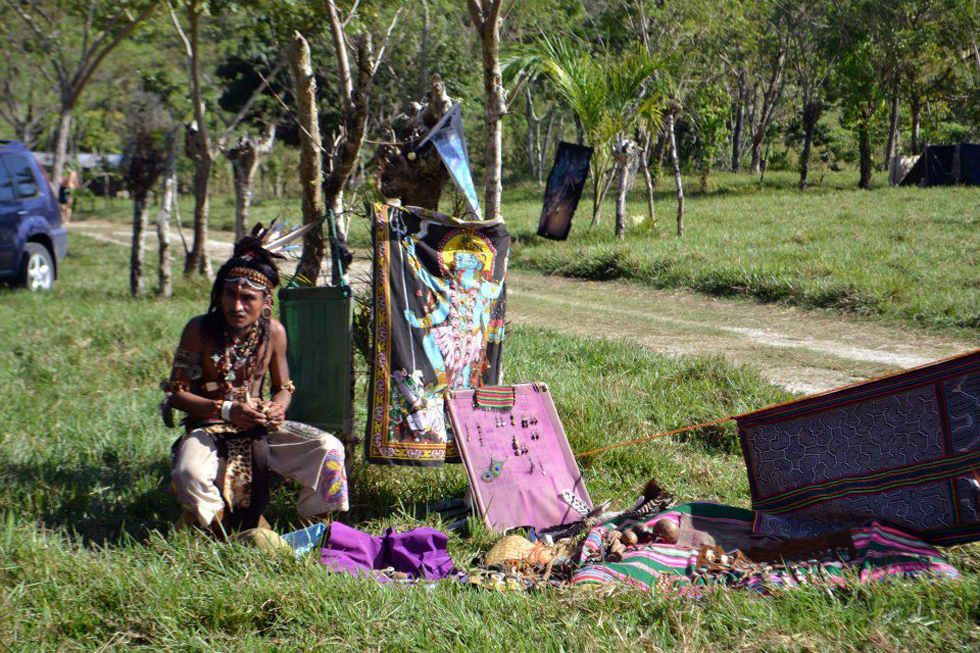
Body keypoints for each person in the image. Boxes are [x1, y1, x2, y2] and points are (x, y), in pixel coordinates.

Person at [161, 229, 348, 534]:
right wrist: (226, 411)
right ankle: (219, 527)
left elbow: (283, 387)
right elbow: (176, 394)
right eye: (229, 295)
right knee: (188, 472)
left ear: (266, 301)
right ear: (218, 295)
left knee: (328, 448)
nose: (237, 306)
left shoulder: (273, 332)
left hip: (261, 425)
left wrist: (276, 408)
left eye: (248, 298)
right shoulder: (198, 329)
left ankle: (315, 529)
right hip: (209, 427)